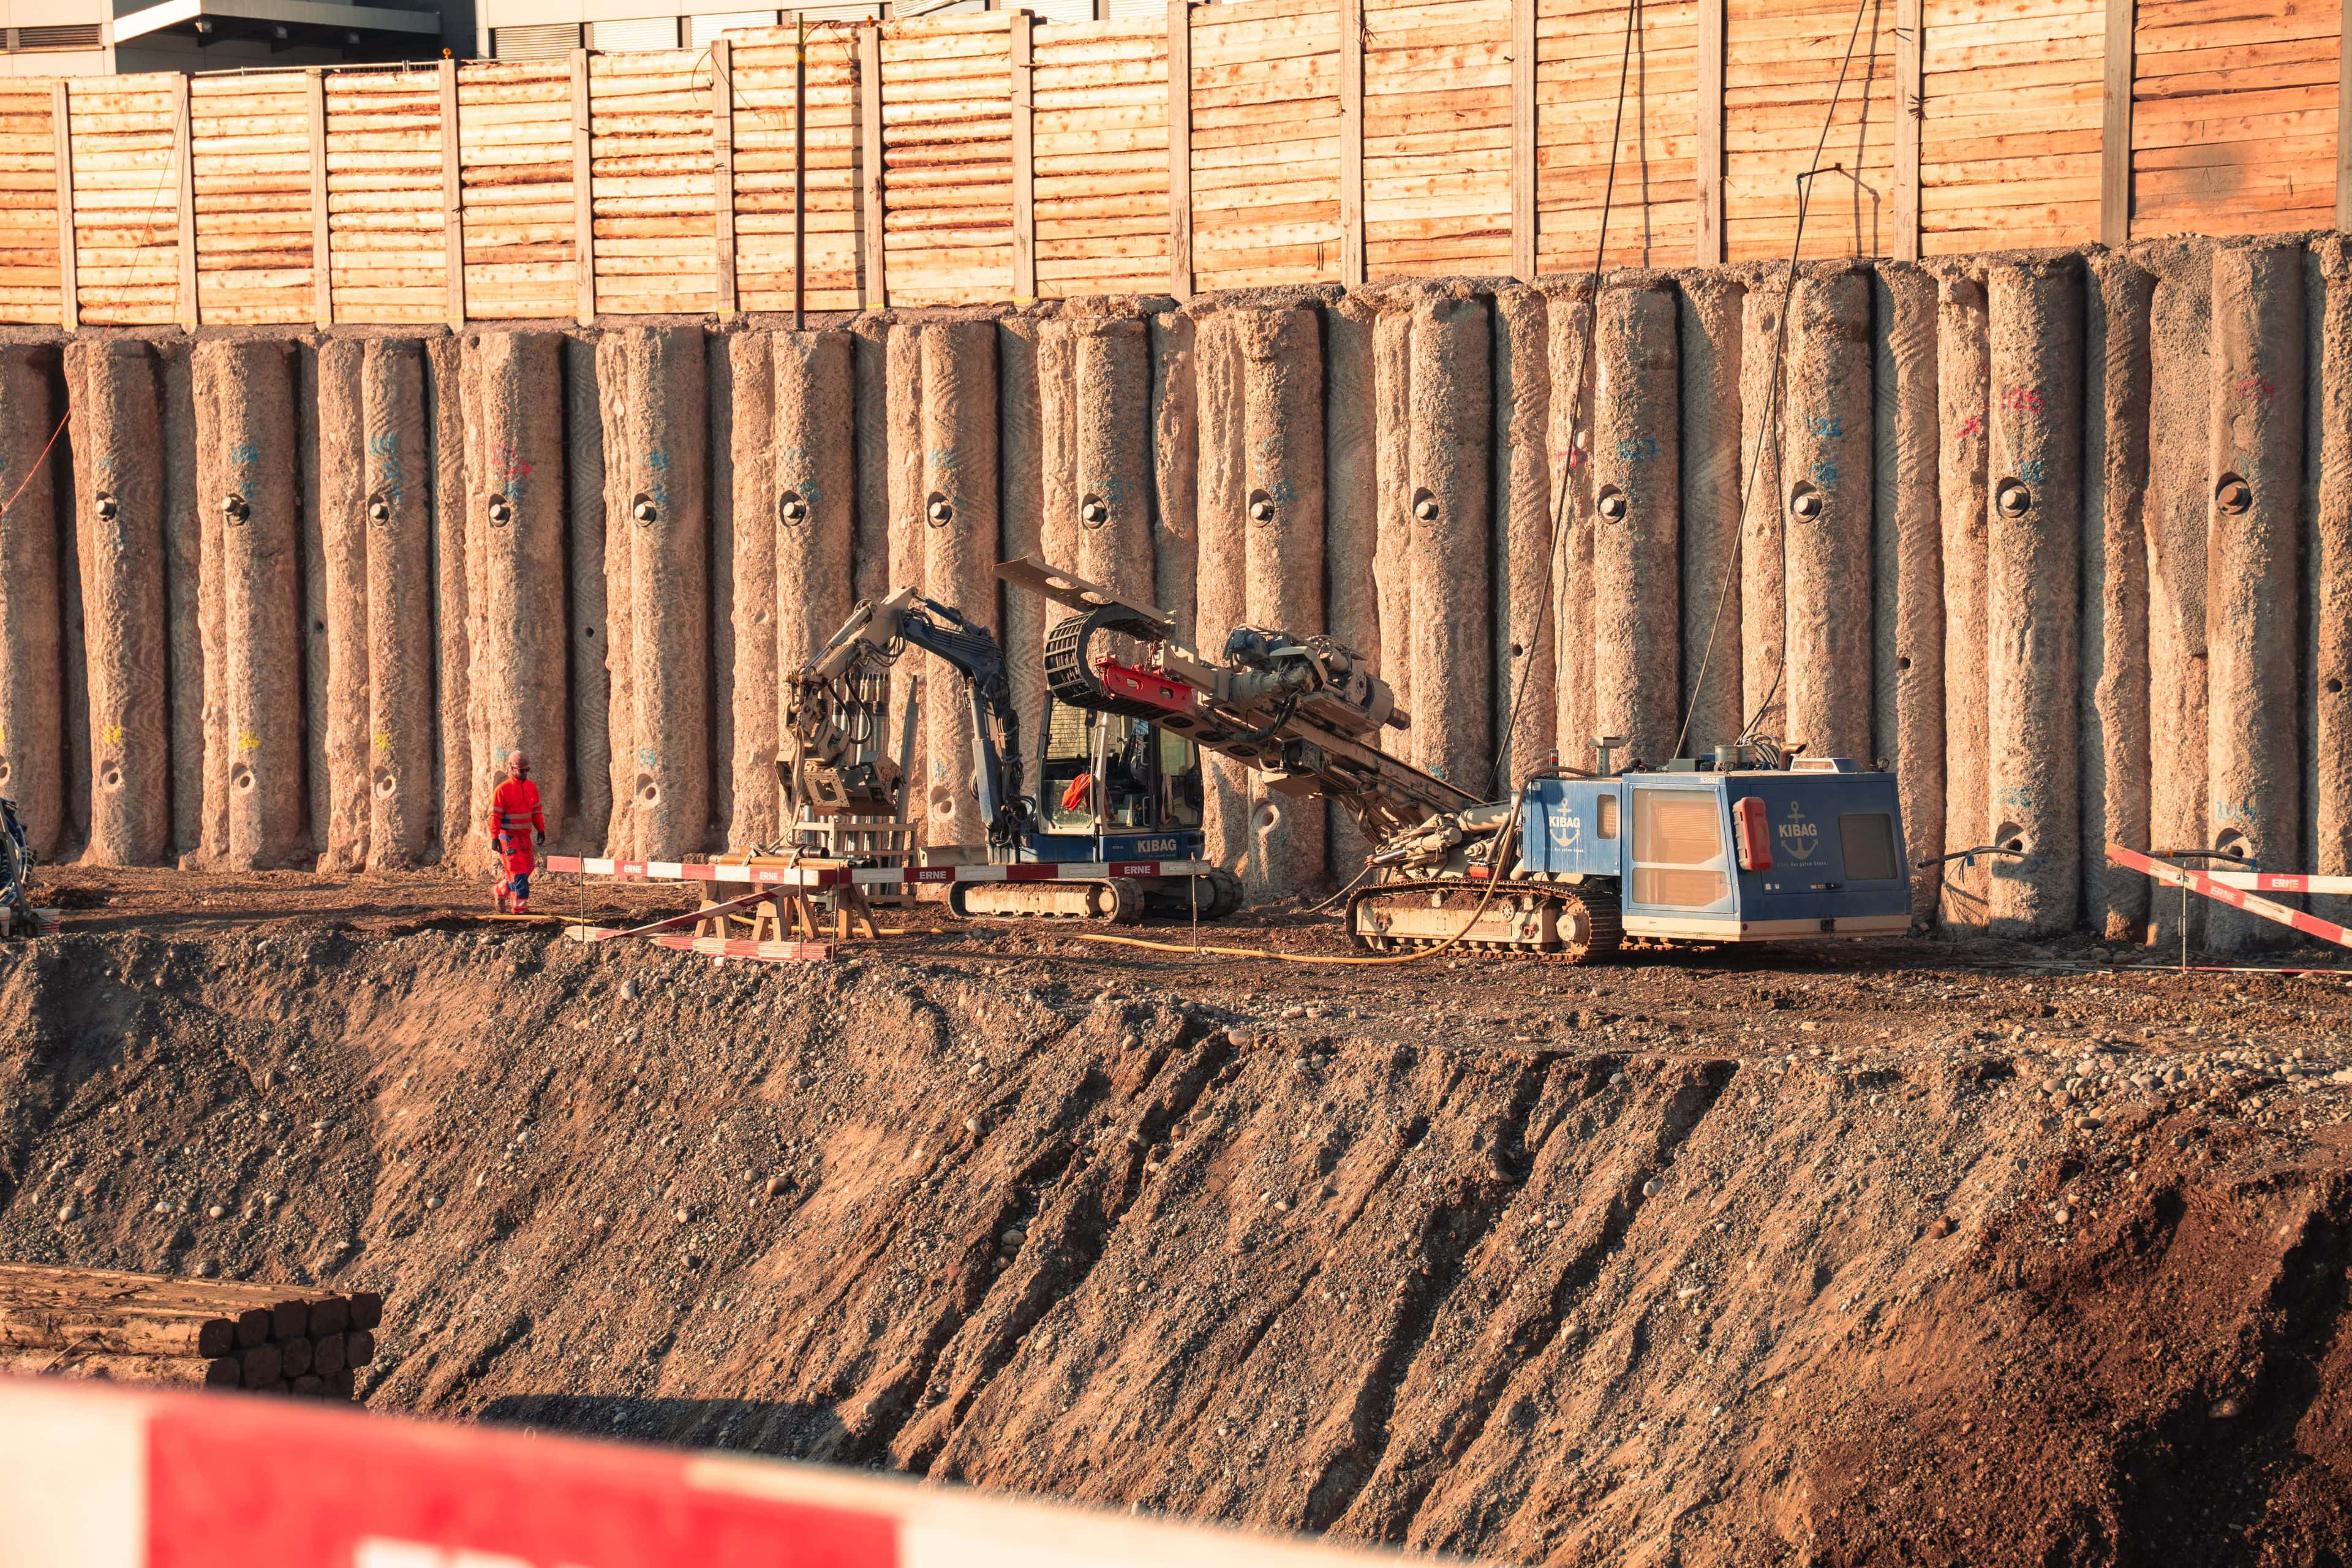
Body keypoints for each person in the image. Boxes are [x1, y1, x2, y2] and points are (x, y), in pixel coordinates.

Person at [488, 750, 546, 914]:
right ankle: (520, 910)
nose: (525, 774)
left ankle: (501, 890)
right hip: (508, 838)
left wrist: (541, 830)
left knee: (528, 869)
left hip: (524, 838)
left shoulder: (531, 787)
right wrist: (494, 838)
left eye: (527, 770)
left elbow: (536, 811)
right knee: (519, 875)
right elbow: (495, 815)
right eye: (522, 771)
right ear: (512, 768)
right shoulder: (503, 790)